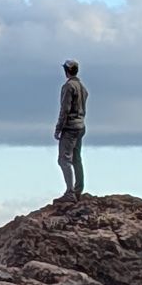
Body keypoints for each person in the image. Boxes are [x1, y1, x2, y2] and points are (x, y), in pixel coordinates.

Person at [54, 57, 87, 197]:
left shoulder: (69, 87)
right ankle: (78, 189)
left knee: (64, 159)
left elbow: (65, 109)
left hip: (70, 127)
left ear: (66, 71)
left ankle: (70, 192)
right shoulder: (82, 87)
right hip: (80, 126)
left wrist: (58, 128)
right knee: (76, 158)